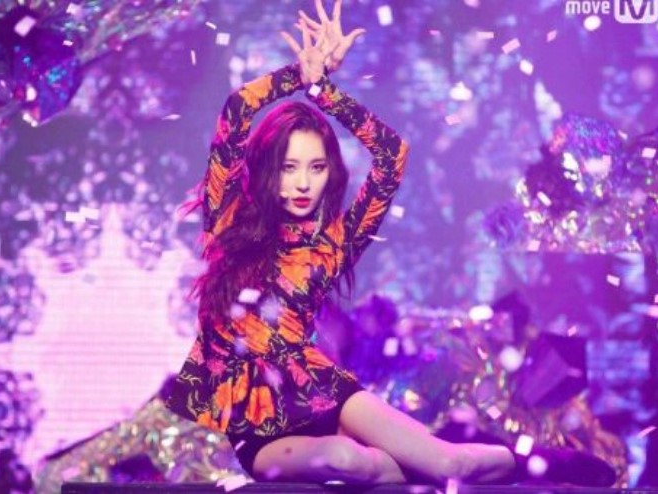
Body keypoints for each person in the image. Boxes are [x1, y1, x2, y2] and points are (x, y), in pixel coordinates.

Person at [166, 0, 615, 487]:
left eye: (316, 167)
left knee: (450, 466)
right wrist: (297, 75)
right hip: (259, 429)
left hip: (327, 394)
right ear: (269, 170)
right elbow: (237, 112)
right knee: (348, 460)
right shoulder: (228, 221)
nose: (302, 183)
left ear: (331, 174)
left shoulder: (332, 243)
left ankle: (535, 463)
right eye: (289, 167)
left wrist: (324, 92)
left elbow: (390, 154)